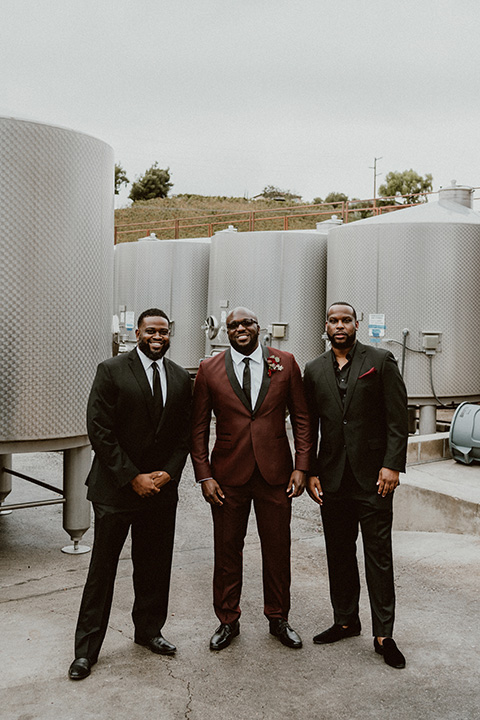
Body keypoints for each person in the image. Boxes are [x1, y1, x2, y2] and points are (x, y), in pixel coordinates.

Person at [68, 308, 191, 680]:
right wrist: (132, 477)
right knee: (102, 573)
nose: (157, 336)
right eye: (150, 330)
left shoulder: (180, 377)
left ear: (170, 335)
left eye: (164, 331)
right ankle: (86, 651)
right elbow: (99, 429)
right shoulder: (111, 370)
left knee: (154, 567)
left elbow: (185, 433)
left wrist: (169, 473)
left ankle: (149, 631)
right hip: (117, 491)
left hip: (160, 491)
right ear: (136, 332)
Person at [191, 307, 311, 651]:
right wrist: (204, 476)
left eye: (246, 323)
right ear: (225, 332)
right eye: (233, 325)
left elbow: (302, 418)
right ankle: (228, 620)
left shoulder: (285, 363)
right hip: (227, 476)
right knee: (227, 550)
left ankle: (278, 617)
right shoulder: (208, 369)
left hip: (276, 474)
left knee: (277, 549)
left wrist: (301, 466)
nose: (240, 328)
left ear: (260, 328)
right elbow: (197, 428)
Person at [303, 302, 408, 669]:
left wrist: (392, 465)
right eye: (333, 320)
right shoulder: (314, 369)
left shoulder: (380, 361)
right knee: (339, 553)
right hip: (333, 480)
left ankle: (384, 634)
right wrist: (311, 471)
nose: (340, 325)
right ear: (326, 326)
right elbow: (309, 426)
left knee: (378, 556)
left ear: (357, 324)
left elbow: (398, 418)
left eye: (346, 320)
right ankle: (345, 619)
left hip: (373, 480)